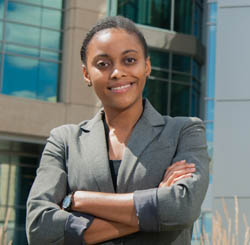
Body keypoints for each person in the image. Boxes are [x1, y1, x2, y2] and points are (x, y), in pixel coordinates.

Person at [26, 16, 209, 245]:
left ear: (147, 67)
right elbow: (39, 227)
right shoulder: (64, 141)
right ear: (86, 74)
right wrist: (154, 207)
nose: (117, 72)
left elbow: (184, 207)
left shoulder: (185, 131)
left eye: (130, 60)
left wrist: (80, 199)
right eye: (103, 64)